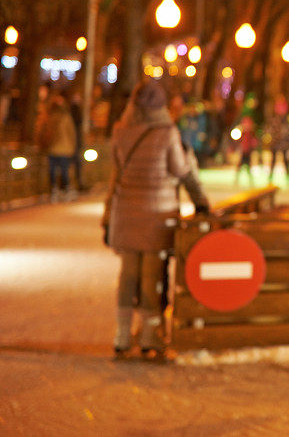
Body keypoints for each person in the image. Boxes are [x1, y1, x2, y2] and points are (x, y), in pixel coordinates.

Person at [102, 81, 209, 360]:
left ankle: (122, 335)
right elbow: (179, 169)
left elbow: (115, 174)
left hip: (125, 214)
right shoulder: (167, 133)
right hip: (157, 218)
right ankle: (150, 335)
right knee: (152, 279)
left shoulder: (120, 131)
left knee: (128, 276)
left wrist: (107, 214)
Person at [36, 93, 77, 202]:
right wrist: (72, 147)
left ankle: (55, 190)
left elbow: (41, 131)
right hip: (63, 148)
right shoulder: (65, 117)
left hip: (53, 148)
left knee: (53, 171)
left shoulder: (48, 117)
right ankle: (65, 190)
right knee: (63, 171)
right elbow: (71, 133)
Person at [267, 107, 289, 186]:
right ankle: (270, 177)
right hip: (276, 144)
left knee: (286, 162)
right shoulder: (275, 122)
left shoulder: (286, 122)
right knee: (273, 161)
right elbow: (271, 132)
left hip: (284, 145)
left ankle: (288, 178)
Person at [235, 116, 258, 187]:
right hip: (243, 151)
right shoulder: (242, 132)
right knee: (239, 166)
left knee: (248, 166)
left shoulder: (251, 133)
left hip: (248, 151)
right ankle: (236, 179)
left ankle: (250, 179)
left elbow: (254, 142)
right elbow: (237, 140)